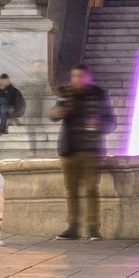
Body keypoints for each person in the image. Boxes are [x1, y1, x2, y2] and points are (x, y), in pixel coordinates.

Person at [49, 66, 115, 240]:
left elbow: (111, 122)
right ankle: (73, 227)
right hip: (69, 150)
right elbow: (54, 114)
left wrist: (98, 126)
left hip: (92, 151)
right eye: (74, 76)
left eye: (80, 76)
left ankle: (93, 229)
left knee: (91, 189)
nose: (76, 80)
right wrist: (57, 112)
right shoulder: (65, 93)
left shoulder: (100, 95)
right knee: (71, 191)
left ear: (88, 78)